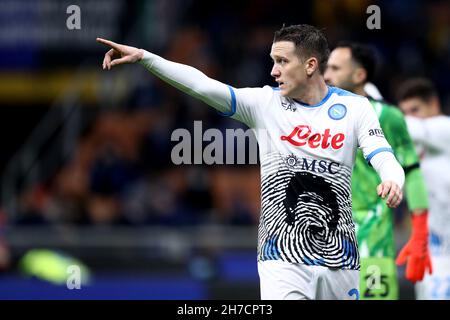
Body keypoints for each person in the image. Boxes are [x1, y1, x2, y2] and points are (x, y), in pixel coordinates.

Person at [97, 24, 405, 300]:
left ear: (311, 65)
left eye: (282, 61)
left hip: (341, 258)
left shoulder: (354, 108)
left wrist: (392, 179)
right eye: (273, 61)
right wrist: (146, 57)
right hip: (281, 257)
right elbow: (202, 85)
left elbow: (381, 151)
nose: (273, 71)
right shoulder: (264, 104)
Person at [324, 42, 432, 300]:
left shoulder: (388, 116)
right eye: (326, 67)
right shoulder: (318, 116)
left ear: (359, 75)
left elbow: (413, 172)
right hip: (327, 241)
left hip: (373, 241)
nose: (326, 75)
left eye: (335, 69)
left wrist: (419, 233)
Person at [397, 78, 450, 300]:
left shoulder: (444, 128)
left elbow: (410, 128)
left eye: (415, 110)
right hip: (432, 248)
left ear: (434, 104)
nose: (411, 117)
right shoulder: (412, 147)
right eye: (405, 112)